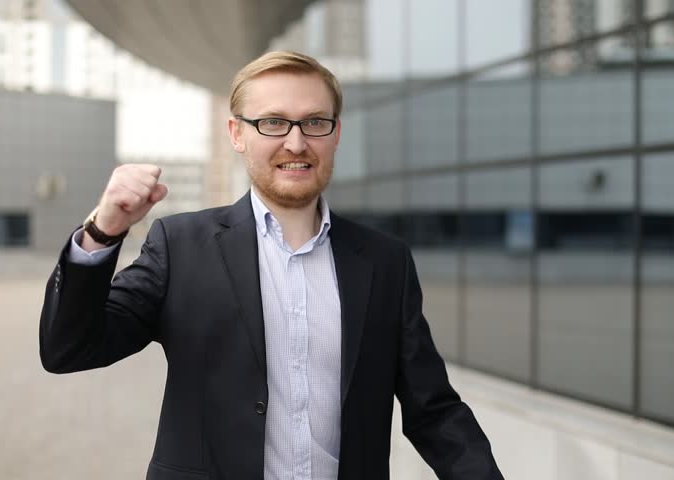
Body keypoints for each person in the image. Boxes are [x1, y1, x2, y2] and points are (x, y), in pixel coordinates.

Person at [39, 50, 504, 480]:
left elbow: (434, 411)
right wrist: (103, 231)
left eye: (315, 122)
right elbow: (70, 350)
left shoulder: (386, 262)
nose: (297, 143)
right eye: (273, 123)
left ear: (336, 132)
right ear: (237, 134)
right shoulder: (181, 246)